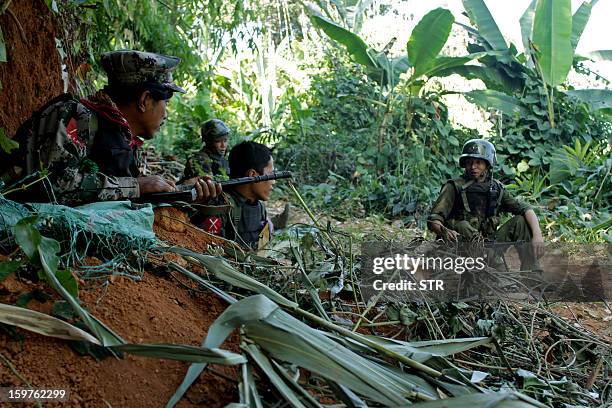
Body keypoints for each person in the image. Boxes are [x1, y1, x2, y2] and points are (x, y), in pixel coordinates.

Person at [0, 50, 220, 205]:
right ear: (144, 100)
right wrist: (136, 186)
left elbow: (115, 195)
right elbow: (53, 185)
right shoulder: (76, 116)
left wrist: (183, 190)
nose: (166, 114)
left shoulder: (122, 137)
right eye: (166, 103)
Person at [427, 139, 544, 270]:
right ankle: (495, 269)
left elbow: (525, 208)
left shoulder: (496, 189)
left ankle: (532, 275)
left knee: (521, 222)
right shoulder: (454, 187)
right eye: (469, 162)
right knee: (463, 225)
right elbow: (434, 220)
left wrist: (537, 235)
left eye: (478, 162)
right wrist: (445, 231)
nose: (473, 167)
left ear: (487, 164)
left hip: (490, 245)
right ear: (464, 164)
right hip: (461, 248)